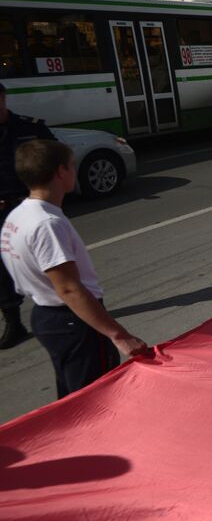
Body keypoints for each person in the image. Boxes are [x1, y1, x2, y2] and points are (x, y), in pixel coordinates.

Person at [0, 139, 149, 397]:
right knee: (97, 400)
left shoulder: (18, 215)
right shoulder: (46, 223)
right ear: (60, 172)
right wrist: (118, 334)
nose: (75, 169)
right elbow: (68, 289)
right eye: (72, 164)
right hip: (74, 322)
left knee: (72, 397)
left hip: (48, 317)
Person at [1, 80, 56, 348]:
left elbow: (56, 160)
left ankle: (64, 311)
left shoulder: (29, 128)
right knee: (3, 268)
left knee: (49, 263)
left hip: (27, 207)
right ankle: (13, 320)